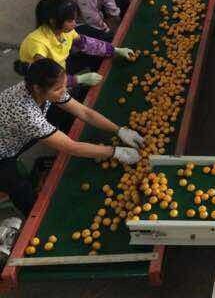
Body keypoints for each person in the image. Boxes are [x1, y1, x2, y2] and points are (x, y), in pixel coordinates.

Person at [0, 59, 142, 216]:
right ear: (37, 88)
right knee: (20, 188)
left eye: (64, 85)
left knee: (61, 113)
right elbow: (72, 147)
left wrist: (119, 130)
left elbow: (84, 112)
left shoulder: (42, 87)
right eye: (58, 89)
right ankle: (35, 216)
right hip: (3, 152)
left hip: (16, 136)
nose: (63, 91)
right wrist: (115, 152)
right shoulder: (26, 112)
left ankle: (65, 140)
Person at [17, 0, 136, 88]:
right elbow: (46, 77)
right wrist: (78, 80)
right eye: (70, 21)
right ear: (53, 21)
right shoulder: (37, 44)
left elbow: (86, 44)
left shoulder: (65, 31)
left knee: (93, 52)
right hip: (41, 80)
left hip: (59, 64)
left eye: (74, 19)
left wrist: (115, 50)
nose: (74, 24)